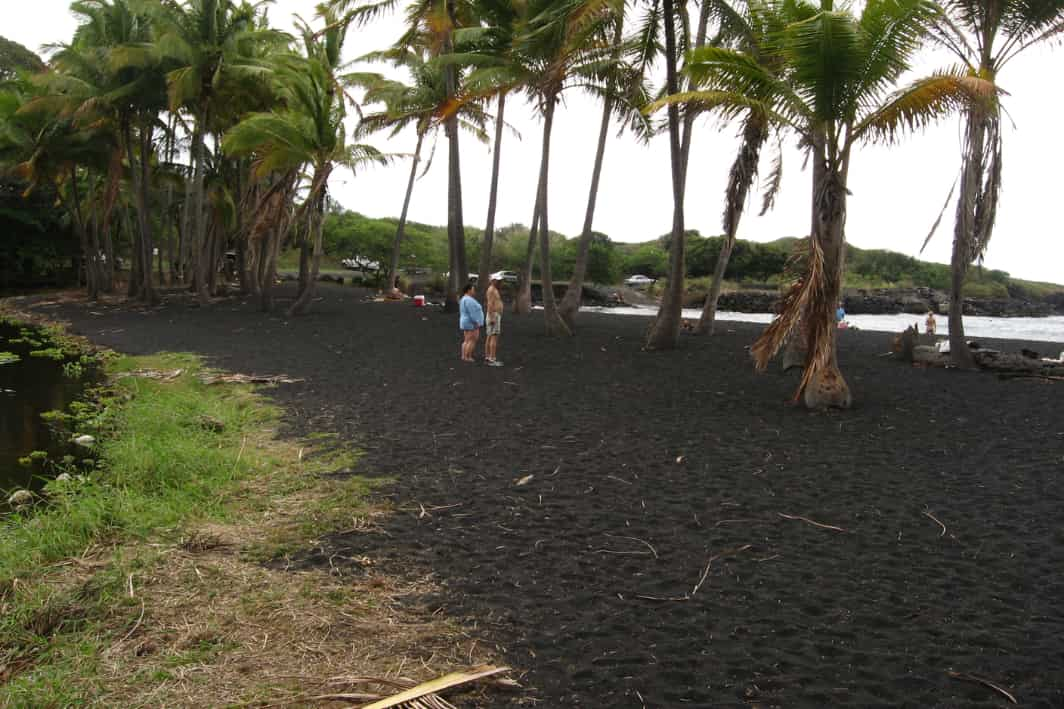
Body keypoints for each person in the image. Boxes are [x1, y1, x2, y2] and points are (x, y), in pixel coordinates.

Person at [459, 282, 484, 362]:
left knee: (466, 340)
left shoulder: (463, 298)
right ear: (469, 290)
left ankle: (464, 356)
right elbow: (472, 313)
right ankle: (468, 356)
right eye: (473, 289)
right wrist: (476, 322)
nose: (474, 291)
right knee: (472, 340)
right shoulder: (469, 300)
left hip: (465, 321)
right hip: (471, 322)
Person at [485, 275, 504, 366]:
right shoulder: (491, 290)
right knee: (494, 336)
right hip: (494, 315)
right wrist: (492, 317)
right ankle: (492, 359)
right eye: (497, 280)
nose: (500, 282)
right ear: (493, 280)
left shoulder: (493, 289)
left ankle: (488, 356)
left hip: (494, 314)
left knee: (490, 336)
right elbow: (490, 304)